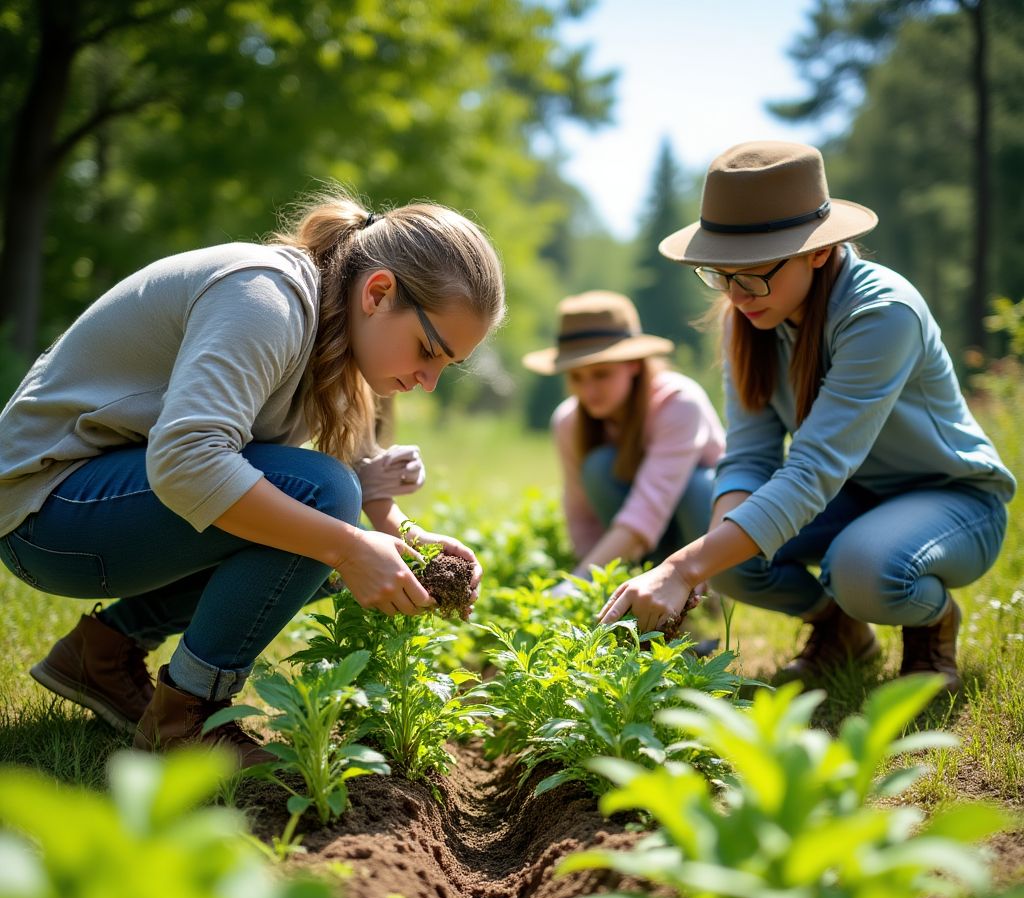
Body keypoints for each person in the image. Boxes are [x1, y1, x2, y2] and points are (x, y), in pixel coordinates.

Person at [0, 190, 505, 764]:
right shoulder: (265, 298)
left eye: (447, 365)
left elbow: (357, 471)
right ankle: (187, 720)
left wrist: (408, 540)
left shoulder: (335, 329)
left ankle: (105, 653)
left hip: (99, 502)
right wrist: (347, 546)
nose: (429, 380)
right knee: (323, 506)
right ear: (379, 292)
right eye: (428, 349)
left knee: (324, 525)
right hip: (44, 509)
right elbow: (188, 459)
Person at [598, 141, 1015, 692]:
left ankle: (932, 622)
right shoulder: (746, 317)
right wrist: (710, 558)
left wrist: (682, 567)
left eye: (751, 274)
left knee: (858, 567)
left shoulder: (880, 313)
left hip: (952, 500)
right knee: (726, 547)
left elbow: (814, 467)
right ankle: (839, 628)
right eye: (719, 274)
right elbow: (749, 457)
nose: (734, 294)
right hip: (852, 495)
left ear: (818, 251)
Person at [522, 290, 725, 588]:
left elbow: (649, 507)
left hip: (703, 533)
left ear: (634, 364)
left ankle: (706, 590)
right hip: (645, 542)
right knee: (598, 468)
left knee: (699, 486)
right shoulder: (569, 422)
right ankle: (640, 587)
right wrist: (589, 586)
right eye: (577, 378)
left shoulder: (679, 403)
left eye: (601, 374)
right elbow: (581, 516)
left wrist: (578, 582)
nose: (588, 391)